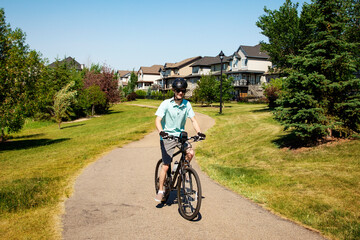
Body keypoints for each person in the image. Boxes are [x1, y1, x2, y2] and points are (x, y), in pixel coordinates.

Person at [154, 78, 206, 202]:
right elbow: (158, 120)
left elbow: (193, 120)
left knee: (190, 153)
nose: (181, 93)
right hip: (167, 137)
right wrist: (161, 131)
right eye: (178, 90)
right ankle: (161, 190)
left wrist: (199, 132)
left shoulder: (187, 104)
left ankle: (180, 166)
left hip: (180, 136)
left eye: (183, 90)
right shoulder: (166, 103)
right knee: (166, 166)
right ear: (173, 90)